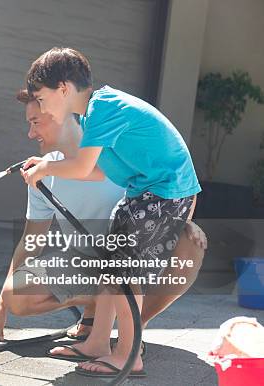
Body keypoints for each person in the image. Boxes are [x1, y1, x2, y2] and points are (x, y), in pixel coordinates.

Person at [0, 88, 207, 346]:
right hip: (87, 261)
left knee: (189, 246)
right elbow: (30, 240)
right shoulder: (43, 173)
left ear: (59, 113)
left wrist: (181, 220)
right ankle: (95, 316)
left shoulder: (114, 153)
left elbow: (172, 186)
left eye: (36, 123)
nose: (31, 134)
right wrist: (1, 306)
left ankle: (133, 331)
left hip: (135, 257)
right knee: (18, 294)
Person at [20, 47, 202, 377]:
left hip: (166, 192)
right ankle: (98, 342)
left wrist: (47, 167)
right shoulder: (92, 115)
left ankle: (130, 354)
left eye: (43, 98)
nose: (42, 106)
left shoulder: (104, 109)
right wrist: (48, 166)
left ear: (63, 89)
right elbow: (98, 171)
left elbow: (83, 165)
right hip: (145, 191)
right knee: (111, 265)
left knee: (125, 273)